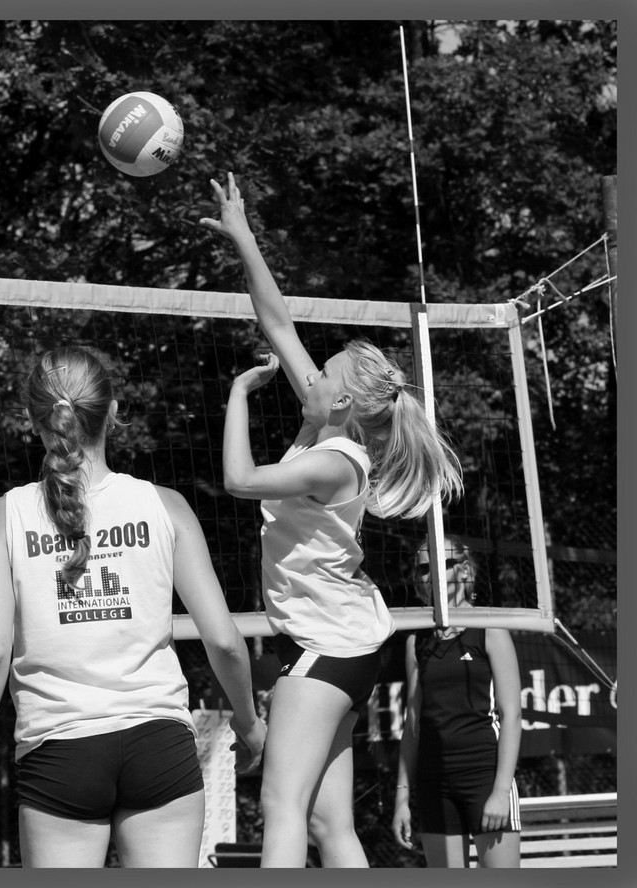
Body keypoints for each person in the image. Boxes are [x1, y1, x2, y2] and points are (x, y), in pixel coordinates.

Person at [200, 171, 464, 868]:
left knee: (281, 808)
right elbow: (277, 322)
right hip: (333, 641)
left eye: (326, 372)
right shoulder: (327, 420)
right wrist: (243, 235)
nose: (312, 373)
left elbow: (237, 480)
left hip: (330, 645)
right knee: (329, 826)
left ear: (343, 401)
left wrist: (237, 395)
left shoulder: (335, 457)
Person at [0, 345, 266, 868]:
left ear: (35, 421)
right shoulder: (165, 505)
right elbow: (226, 640)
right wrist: (250, 722)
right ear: (114, 413)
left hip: (61, 749)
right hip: (158, 743)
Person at [391, 535, 522, 867]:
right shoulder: (416, 640)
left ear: (464, 571)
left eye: (441, 564)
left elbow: (511, 714)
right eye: (423, 568)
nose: (430, 574)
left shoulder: (489, 628)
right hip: (435, 783)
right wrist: (402, 798)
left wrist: (500, 791)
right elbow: (413, 725)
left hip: (485, 775)